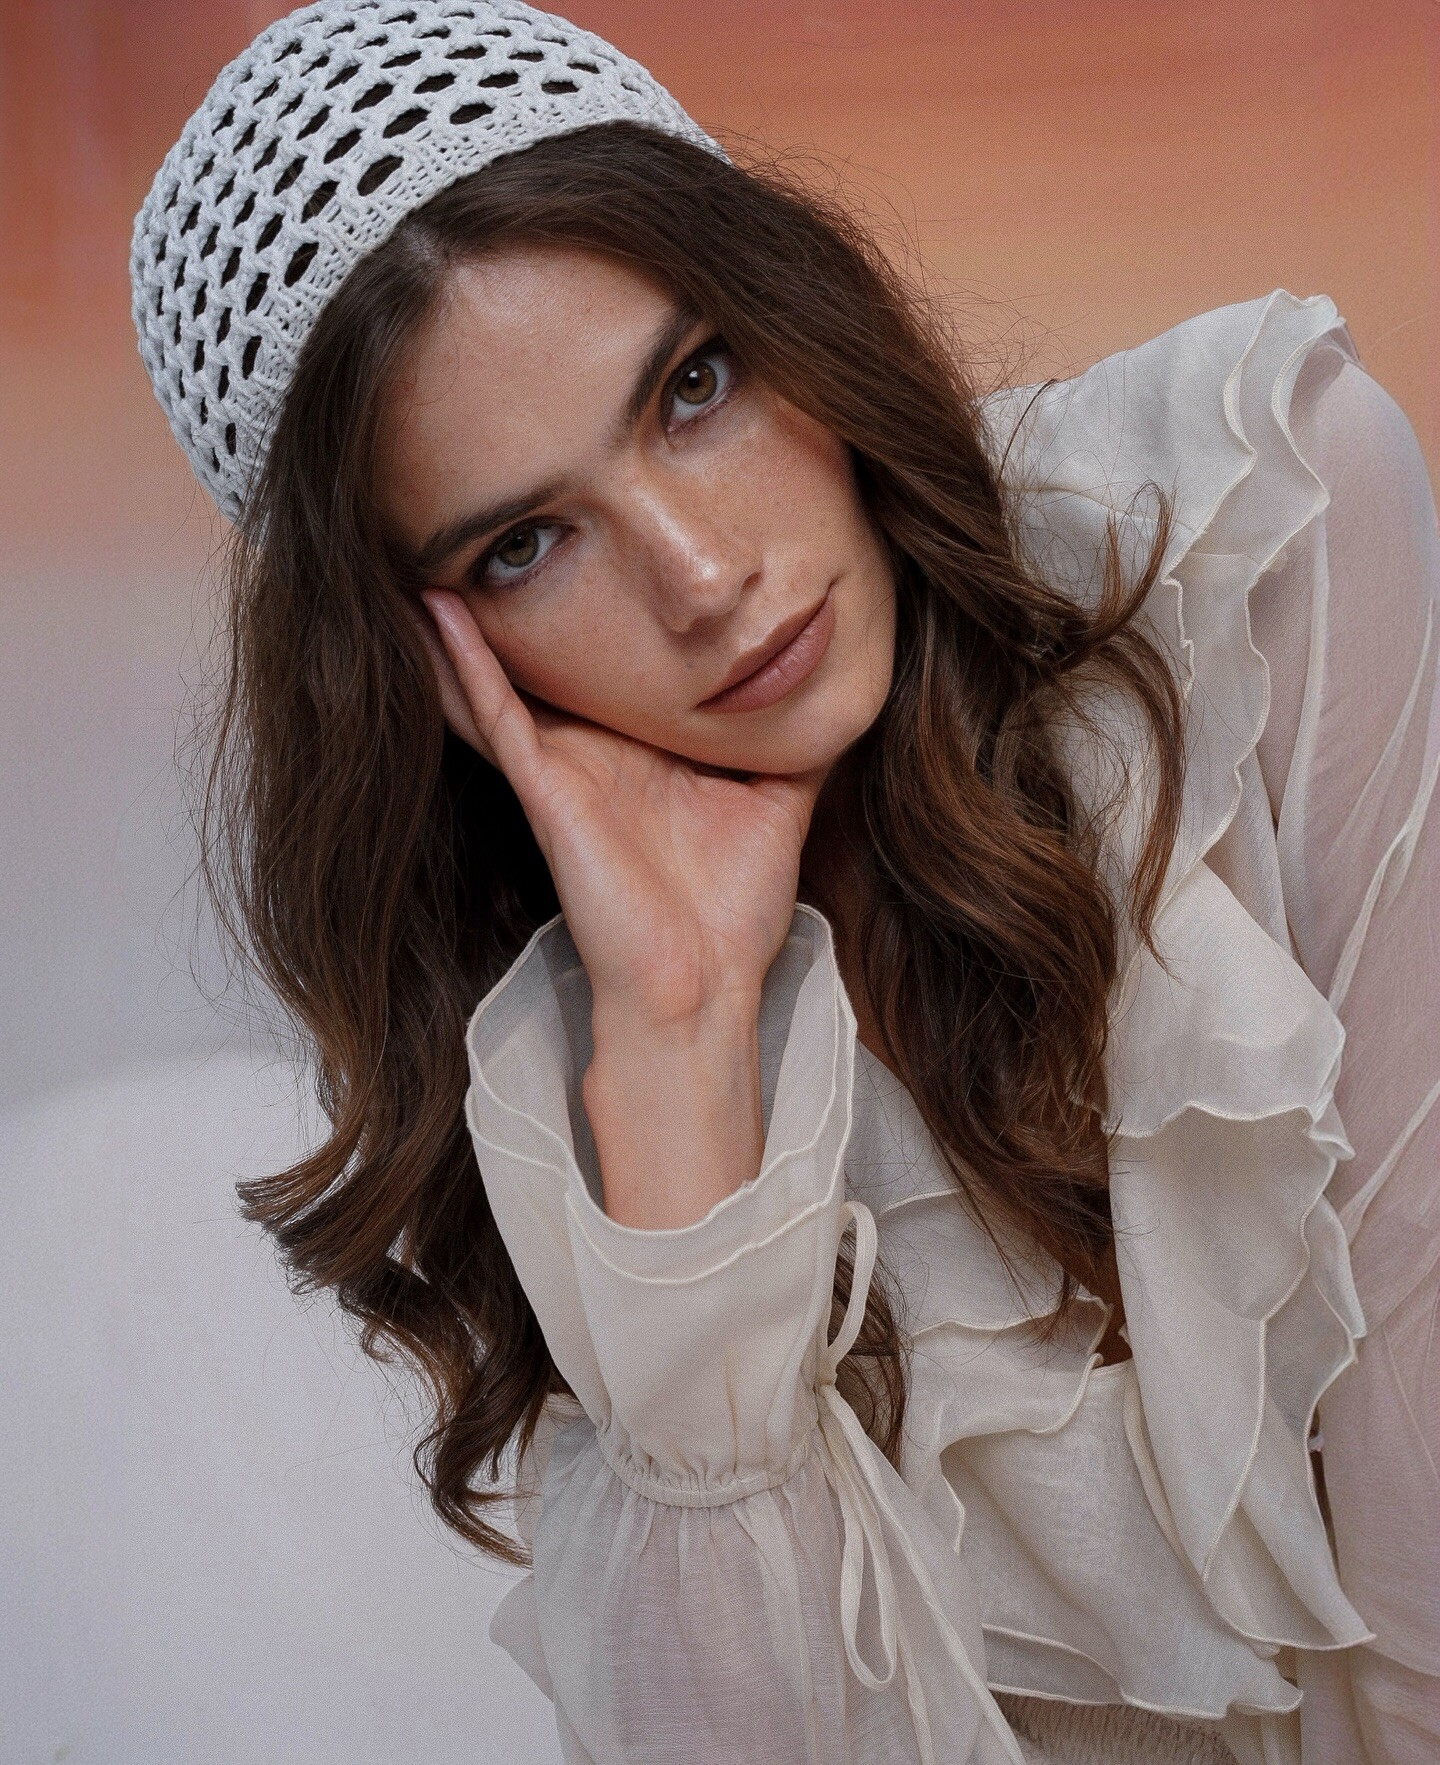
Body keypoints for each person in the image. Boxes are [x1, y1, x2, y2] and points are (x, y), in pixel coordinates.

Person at [130, 2, 1439, 1760]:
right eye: (526, 544)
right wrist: (680, 1053)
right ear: (420, 670)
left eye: (694, 387)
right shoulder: (558, 1072)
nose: (702, 576)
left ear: (791, 307)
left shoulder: (1254, 525)